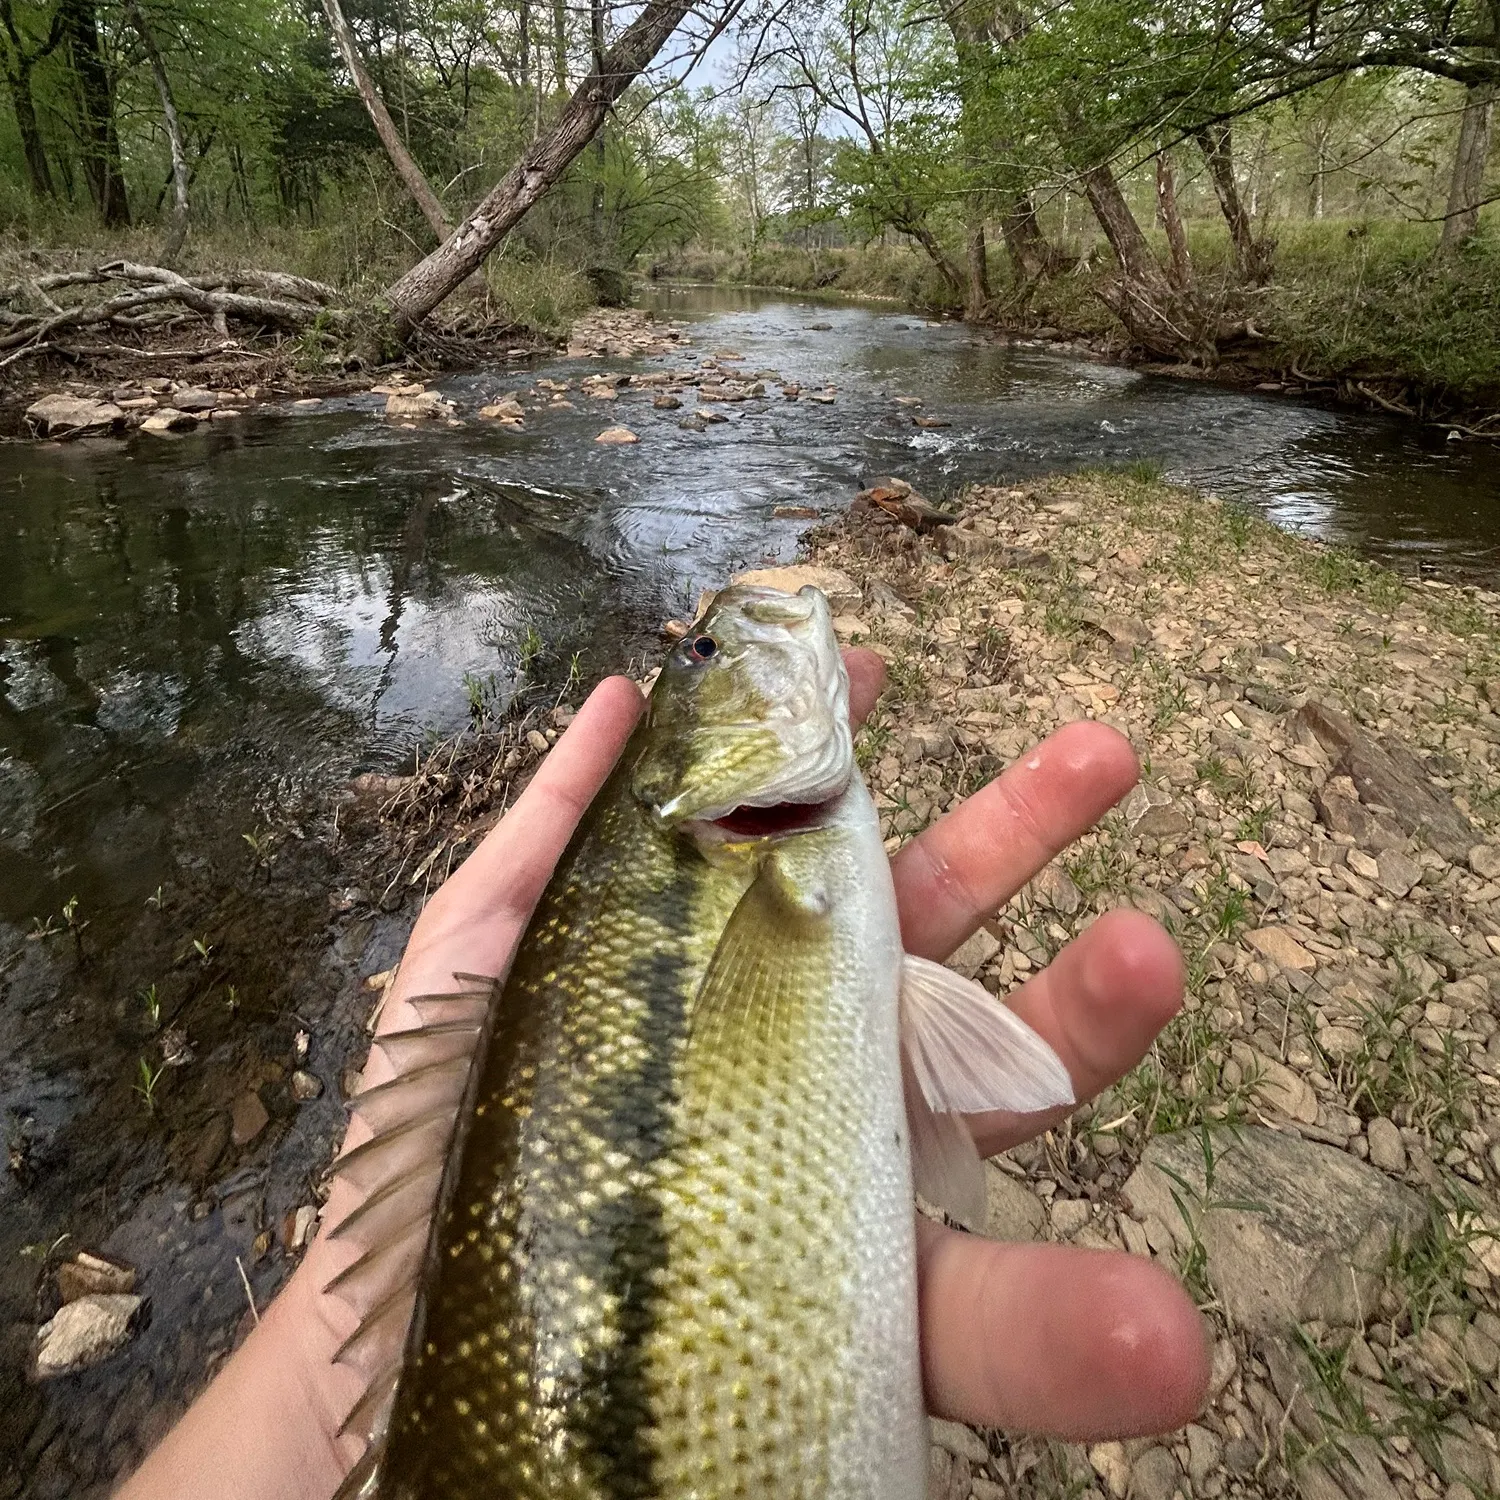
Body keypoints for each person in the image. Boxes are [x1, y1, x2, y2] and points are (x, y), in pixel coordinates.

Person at [121, 654, 1209, 1500]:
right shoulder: (745, 850)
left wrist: (329, 1393)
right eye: (701, 652)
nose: (716, 646)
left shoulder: (756, 852)